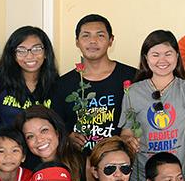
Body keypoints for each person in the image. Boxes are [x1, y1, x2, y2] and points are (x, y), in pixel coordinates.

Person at [120, 29, 185, 181]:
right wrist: (128, 139)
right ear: (146, 58)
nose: (162, 60)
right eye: (155, 55)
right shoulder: (133, 92)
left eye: (168, 54)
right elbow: (126, 132)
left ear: (177, 56)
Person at [52, 14, 139, 153]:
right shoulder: (62, 84)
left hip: (120, 161)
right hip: (79, 161)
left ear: (111, 40)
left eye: (100, 35)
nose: (93, 41)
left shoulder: (132, 77)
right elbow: (56, 125)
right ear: (77, 41)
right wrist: (67, 137)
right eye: (86, 36)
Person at [0, 25, 58, 128]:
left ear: (46, 53)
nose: (30, 56)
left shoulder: (57, 85)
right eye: (21, 50)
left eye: (36, 49)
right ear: (13, 55)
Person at [17, 106, 89, 181]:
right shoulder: (23, 171)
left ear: (57, 132)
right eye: (30, 136)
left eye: (44, 130)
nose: (39, 140)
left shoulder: (83, 163)